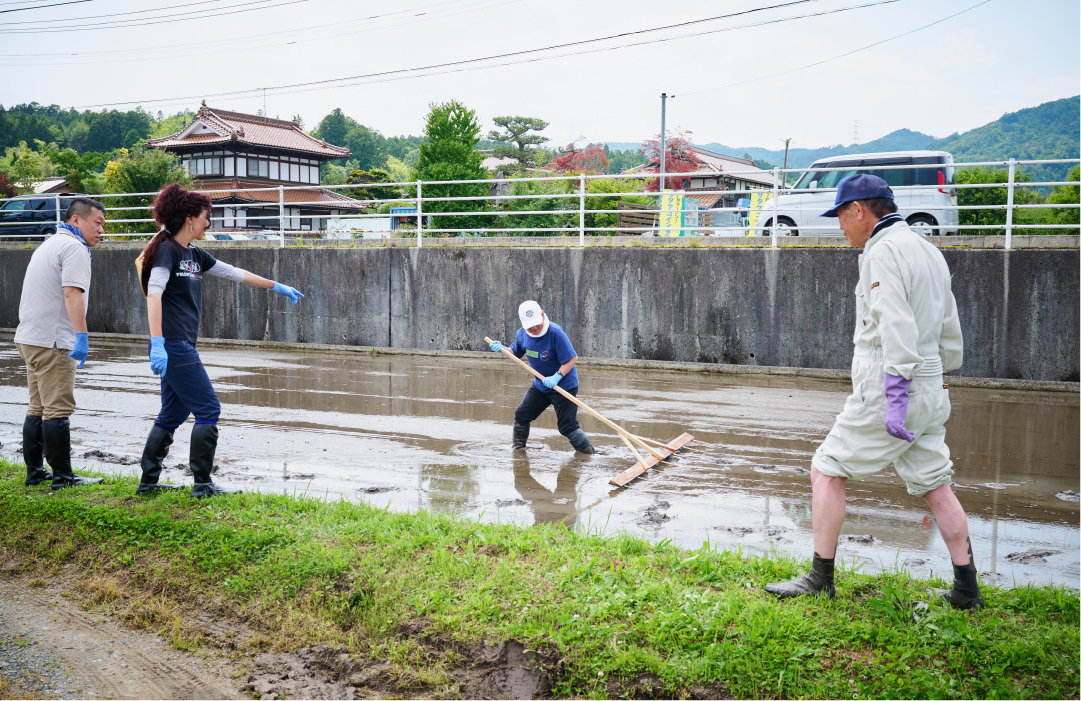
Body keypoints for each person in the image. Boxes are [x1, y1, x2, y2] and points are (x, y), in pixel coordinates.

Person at [764, 174, 983, 610]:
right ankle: (967, 589)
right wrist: (935, 381)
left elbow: (895, 324)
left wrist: (897, 395)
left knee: (826, 469)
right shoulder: (927, 249)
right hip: (930, 385)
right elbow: (949, 326)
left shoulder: (880, 252)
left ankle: (819, 578)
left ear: (859, 210)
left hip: (890, 388)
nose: (840, 227)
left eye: (842, 216)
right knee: (936, 484)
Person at [134, 184, 305, 498]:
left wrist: (276, 285)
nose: (208, 223)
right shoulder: (167, 251)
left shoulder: (194, 254)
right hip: (172, 344)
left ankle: (148, 484)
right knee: (208, 409)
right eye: (205, 217)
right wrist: (157, 342)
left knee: (171, 414)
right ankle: (203, 485)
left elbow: (234, 273)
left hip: (181, 343)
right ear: (189, 219)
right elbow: (154, 295)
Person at [14, 197, 107, 489]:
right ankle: (64, 478)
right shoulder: (73, 247)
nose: (102, 230)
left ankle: (35, 473)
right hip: (54, 341)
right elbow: (72, 294)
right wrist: (82, 336)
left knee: (37, 407)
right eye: (98, 222)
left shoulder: (49, 244)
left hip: (31, 338)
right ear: (76, 220)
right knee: (57, 409)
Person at [489, 301, 594, 454]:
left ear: (543, 315)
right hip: (541, 386)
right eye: (530, 325)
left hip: (563, 385)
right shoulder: (522, 334)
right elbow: (515, 352)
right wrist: (504, 350)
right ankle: (518, 452)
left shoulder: (555, 333)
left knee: (567, 427)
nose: (535, 328)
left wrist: (556, 377)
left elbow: (572, 359)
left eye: (537, 323)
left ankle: (591, 457)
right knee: (521, 416)